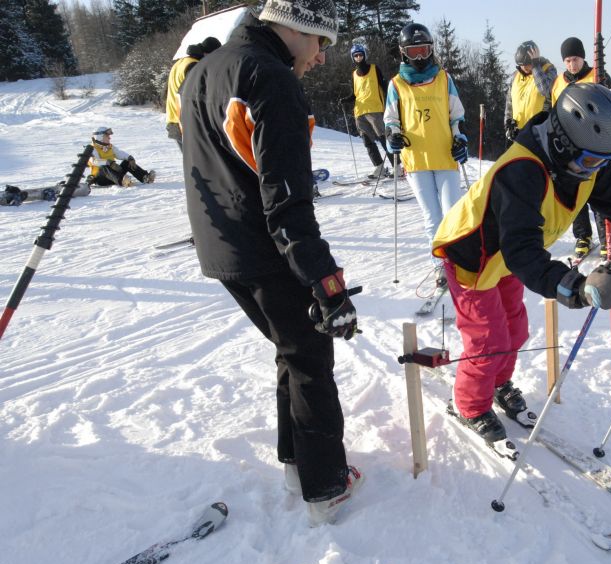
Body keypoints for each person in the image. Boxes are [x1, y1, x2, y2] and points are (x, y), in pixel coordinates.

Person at [431, 83, 611, 444]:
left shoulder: (585, 164)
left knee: (516, 331)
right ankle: (470, 406)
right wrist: (577, 287)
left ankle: (499, 381)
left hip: (505, 258)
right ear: (561, 141)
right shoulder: (520, 172)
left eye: (604, 161)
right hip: (473, 258)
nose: (595, 170)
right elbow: (523, 252)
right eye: (589, 161)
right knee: (488, 340)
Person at [178, 0, 363, 527]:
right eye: (320, 42)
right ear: (296, 26)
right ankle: (326, 485)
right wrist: (327, 284)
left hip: (222, 247)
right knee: (310, 356)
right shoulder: (271, 78)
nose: (322, 56)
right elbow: (287, 201)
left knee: (291, 347)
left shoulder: (205, 70)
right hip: (263, 247)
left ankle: (296, 465)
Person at [384, 22, 467, 285]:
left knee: (452, 212)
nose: (419, 57)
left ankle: (457, 261)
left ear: (431, 50)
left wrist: (461, 140)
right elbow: (391, 122)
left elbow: (457, 117)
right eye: (414, 51)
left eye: (424, 50)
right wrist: (392, 140)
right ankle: (440, 265)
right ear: (403, 53)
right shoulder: (396, 85)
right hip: (416, 160)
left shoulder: (444, 79)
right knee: (432, 217)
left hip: (445, 156)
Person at [550, 36, 611, 262]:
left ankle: (608, 235)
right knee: (575, 193)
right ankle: (582, 236)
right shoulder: (559, 82)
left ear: (583, 58)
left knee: (600, 191)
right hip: (571, 146)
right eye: (568, 60)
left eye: (576, 59)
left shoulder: (597, 75)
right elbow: (551, 111)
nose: (572, 65)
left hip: (596, 143)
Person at [339, 43, 395, 179]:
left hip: (375, 109)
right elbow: (355, 93)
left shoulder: (374, 69)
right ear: (353, 58)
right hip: (359, 111)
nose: (358, 58)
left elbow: (385, 86)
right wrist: (346, 100)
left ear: (364, 55)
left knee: (383, 138)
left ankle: (397, 166)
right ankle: (379, 167)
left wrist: (391, 103)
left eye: (360, 55)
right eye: (356, 56)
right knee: (367, 140)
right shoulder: (354, 74)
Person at [165, 36, 221, 152]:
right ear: (207, 53)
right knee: (203, 163)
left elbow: (164, 94)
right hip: (186, 123)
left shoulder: (179, 64)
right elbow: (200, 97)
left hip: (173, 122)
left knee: (192, 164)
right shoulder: (194, 66)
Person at [503, 40, 556, 145]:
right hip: (517, 134)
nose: (524, 67)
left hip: (538, 134)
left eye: (527, 64)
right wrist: (508, 123)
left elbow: (546, 90)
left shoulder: (547, 70)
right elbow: (509, 103)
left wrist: (536, 66)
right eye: (521, 65)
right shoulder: (515, 76)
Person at [87, 127, 155, 187]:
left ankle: (145, 177)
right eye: (107, 136)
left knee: (127, 162)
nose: (109, 137)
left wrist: (129, 157)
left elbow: (119, 153)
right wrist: (109, 162)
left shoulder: (110, 146)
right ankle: (123, 181)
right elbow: (94, 161)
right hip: (101, 179)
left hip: (114, 176)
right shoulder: (92, 148)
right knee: (103, 167)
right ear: (100, 137)